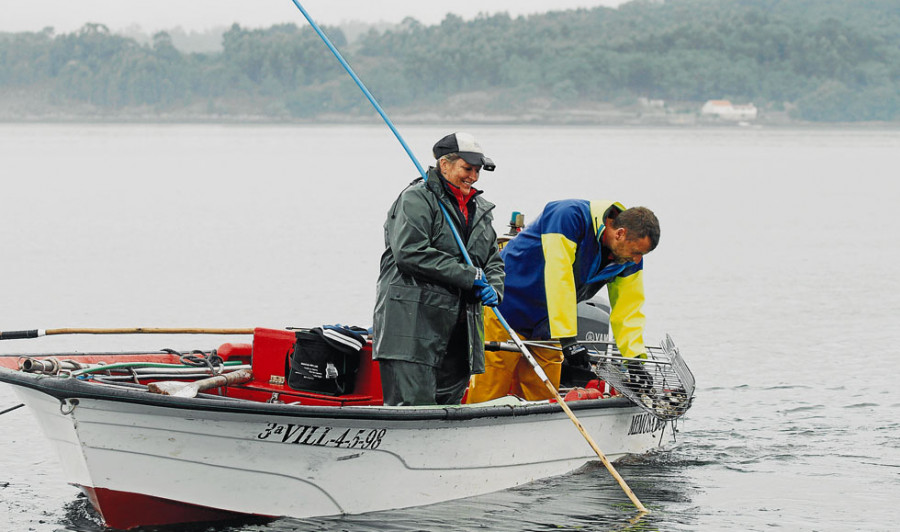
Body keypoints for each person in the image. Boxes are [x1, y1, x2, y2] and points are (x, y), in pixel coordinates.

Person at [466, 200, 660, 403]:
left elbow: (629, 309)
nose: (638, 259)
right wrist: (568, 340)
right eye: (637, 252)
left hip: (549, 326)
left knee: (542, 398)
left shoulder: (626, 257)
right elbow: (559, 276)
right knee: (488, 393)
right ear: (620, 233)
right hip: (506, 310)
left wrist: (634, 361)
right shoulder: (568, 216)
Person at [373, 132, 505, 406]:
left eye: (478, 170)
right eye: (467, 169)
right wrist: (470, 276)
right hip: (412, 329)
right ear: (444, 165)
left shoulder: (481, 208)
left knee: (449, 412)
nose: (474, 177)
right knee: (412, 412)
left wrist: (494, 287)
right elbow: (410, 252)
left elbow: (493, 258)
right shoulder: (416, 199)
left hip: (460, 332)